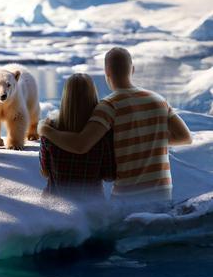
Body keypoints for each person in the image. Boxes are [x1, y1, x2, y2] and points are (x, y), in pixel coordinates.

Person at [39, 47, 192, 202]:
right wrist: (151, 139)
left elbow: (81, 145)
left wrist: (46, 130)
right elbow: (185, 137)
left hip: (128, 197)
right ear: (132, 70)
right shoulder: (159, 100)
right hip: (162, 193)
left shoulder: (109, 106)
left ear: (107, 73)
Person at [39, 73, 116, 199]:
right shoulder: (102, 133)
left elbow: (45, 171)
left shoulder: (49, 129)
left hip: (54, 204)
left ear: (65, 97)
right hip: (91, 206)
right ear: (93, 96)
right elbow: (109, 175)